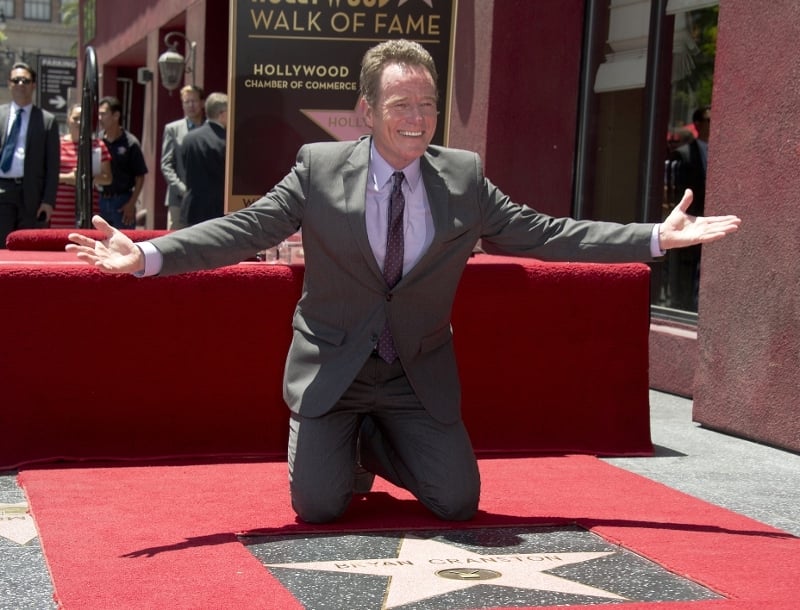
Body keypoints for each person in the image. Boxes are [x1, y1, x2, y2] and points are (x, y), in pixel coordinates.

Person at [66, 40, 740, 524]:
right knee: (318, 508)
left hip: (414, 374)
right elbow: (246, 231)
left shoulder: (464, 179)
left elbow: (550, 234)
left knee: (458, 503)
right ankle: (339, 440)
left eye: (428, 101)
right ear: (366, 110)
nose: (418, 115)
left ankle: (376, 440)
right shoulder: (319, 169)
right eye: (401, 102)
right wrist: (149, 256)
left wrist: (653, 238)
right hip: (334, 367)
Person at [0, 62, 60, 246]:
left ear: (33, 85)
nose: (20, 84)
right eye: (16, 80)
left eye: (25, 80)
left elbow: (53, 165)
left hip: (31, 194)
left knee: (25, 246)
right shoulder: (0, 114)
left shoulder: (47, 120)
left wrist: (48, 201)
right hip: (2, 189)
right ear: (9, 84)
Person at [667, 105, 711, 309]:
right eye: (709, 120)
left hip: (711, 223)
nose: (713, 125)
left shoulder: (722, 151)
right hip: (689, 221)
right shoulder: (683, 155)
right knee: (686, 270)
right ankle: (681, 304)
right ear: (699, 125)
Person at [50, 104, 113, 229]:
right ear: (68, 119)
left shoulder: (97, 145)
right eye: (75, 118)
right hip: (59, 211)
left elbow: (108, 178)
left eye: (82, 118)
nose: (79, 122)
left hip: (88, 210)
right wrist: (68, 178)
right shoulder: (56, 145)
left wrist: (86, 177)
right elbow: (46, 176)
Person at [97, 96, 148, 229]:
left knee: (124, 243)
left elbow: (140, 176)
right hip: (101, 200)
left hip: (122, 201)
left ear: (116, 115)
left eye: (104, 114)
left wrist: (131, 203)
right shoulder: (98, 141)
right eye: (99, 114)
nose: (100, 118)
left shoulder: (131, 143)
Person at [179, 92, 227, 226]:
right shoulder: (226, 141)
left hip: (191, 208)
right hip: (217, 210)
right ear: (222, 114)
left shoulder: (189, 138)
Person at [161, 85, 205, 230]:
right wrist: (182, 189)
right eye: (186, 102)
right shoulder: (173, 129)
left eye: (194, 101)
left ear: (202, 103)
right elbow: (166, 164)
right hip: (179, 199)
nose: (190, 105)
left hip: (204, 198)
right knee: (174, 242)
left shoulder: (210, 128)